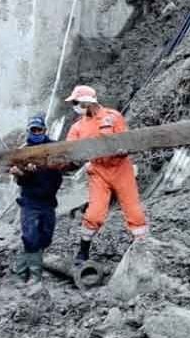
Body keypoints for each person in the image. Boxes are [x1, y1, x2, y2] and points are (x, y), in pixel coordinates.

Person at [65, 85, 148, 264]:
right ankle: (83, 251)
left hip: (121, 168)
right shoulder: (77, 127)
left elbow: (127, 141)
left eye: (76, 102)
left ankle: (142, 249)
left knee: (134, 211)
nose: (74, 105)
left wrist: (123, 150)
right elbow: (69, 151)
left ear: (87, 102)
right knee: (94, 214)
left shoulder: (113, 117)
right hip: (98, 171)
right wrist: (77, 160)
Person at [9, 115, 63, 285]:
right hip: (30, 201)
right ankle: (31, 275)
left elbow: (64, 168)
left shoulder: (55, 147)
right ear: (28, 131)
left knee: (45, 238)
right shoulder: (23, 151)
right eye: (33, 130)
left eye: (39, 129)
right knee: (30, 236)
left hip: (48, 201)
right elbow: (20, 180)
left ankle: (23, 269)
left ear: (44, 130)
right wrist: (26, 174)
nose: (36, 132)